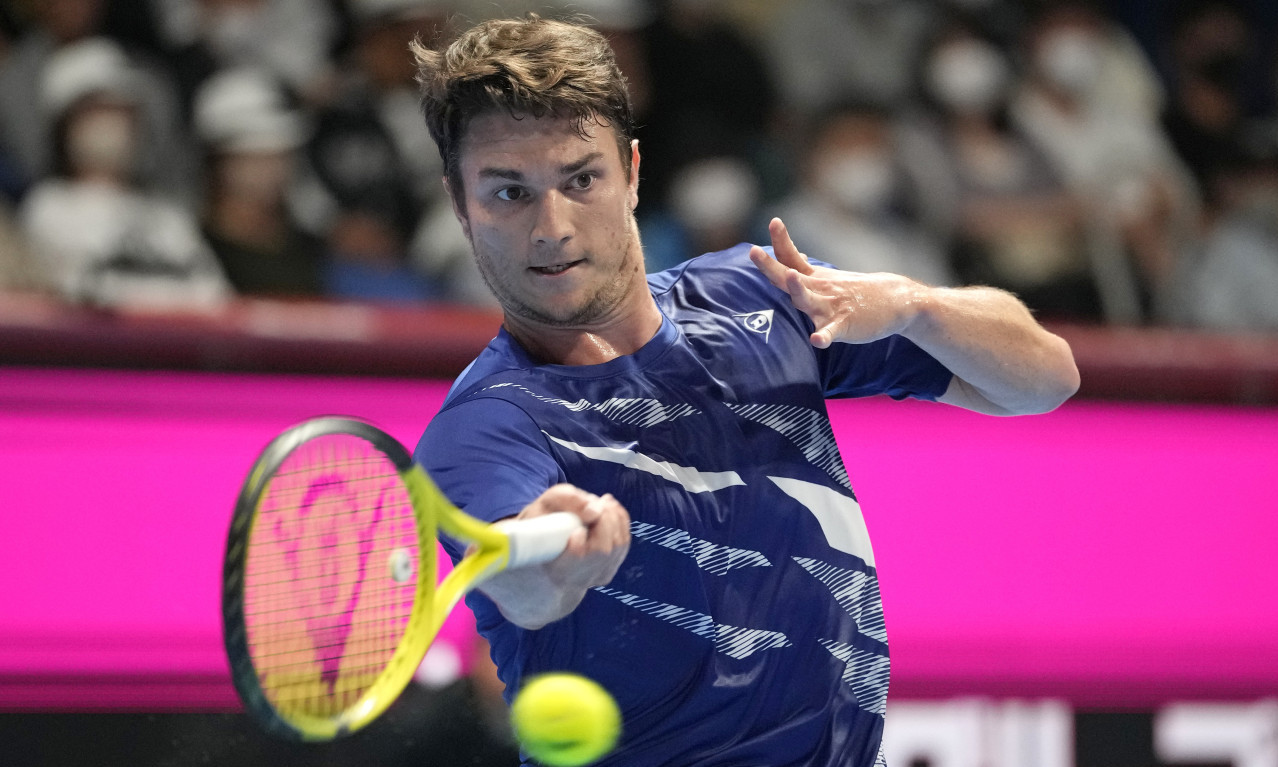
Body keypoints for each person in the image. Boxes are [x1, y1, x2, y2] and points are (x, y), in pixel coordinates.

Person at [411, 15, 1079, 767]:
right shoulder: (486, 429)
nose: (552, 227)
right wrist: (556, 562)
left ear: (632, 172)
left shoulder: (753, 294)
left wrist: (913, 304)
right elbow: (526, 591)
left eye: (581, 179)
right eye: (509, 192)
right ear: (460, 204)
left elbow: (1045, 378)